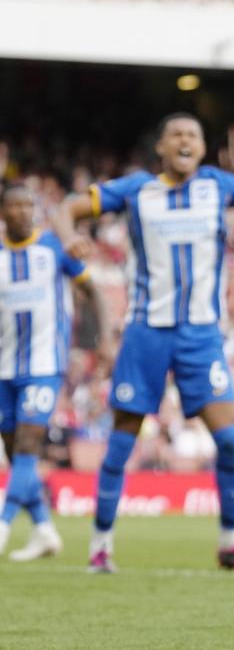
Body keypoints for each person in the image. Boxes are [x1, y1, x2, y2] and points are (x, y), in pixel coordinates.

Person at [53, 113, 234, 574]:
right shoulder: (135, 190)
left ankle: (231, 544)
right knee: (120, 444)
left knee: (229, 443)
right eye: (177, 135)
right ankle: (100, 549)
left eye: (193, 135)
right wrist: (70, 237)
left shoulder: (220, 185)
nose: (186, 141)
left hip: (201, 335)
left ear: (202, 146)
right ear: (162, 148)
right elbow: (67, 208)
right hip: (146, 331)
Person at [0, 184, 110, 560]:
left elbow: (93, 291)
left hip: (44, 366)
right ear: (3, 214)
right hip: (4, 370)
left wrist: (104, 339)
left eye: (28, 204)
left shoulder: (52, 249)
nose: (23, 211)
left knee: (29, 444)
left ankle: (3, 524)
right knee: (16, 453)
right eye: (14, 205)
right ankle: (45, 530)